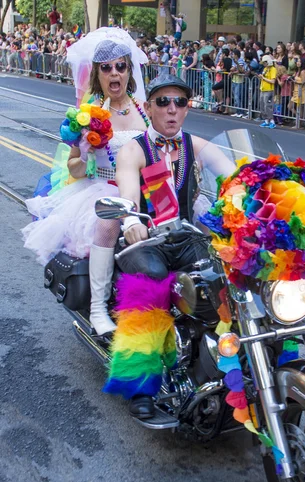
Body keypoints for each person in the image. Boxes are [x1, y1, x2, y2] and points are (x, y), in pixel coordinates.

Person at [105, 74, 232, 417]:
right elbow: (128, 189)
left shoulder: (198, 146)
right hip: (148, 240)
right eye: (163, 102)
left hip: (189, 235)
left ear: (187, 109)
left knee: (224, 275)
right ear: (148, 108)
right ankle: (139, 384)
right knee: (151, 277)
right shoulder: (135, 149)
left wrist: (263, 200)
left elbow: (234, 177)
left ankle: (225, 362)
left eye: (180, 102)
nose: (172, 109)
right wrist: (131, 220)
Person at [22, 31, 149, 339]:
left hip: (145, 187)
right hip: (104, 188)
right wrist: (87, 151)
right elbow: (76, 170)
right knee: (107, 226)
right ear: (97, 74)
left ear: (130, 72)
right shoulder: (89, 113)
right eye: (106, 68)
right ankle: (98, 310)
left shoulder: (145, 108)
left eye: (120, 66)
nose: (114, 73)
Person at [258, 54, 277, 128]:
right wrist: (261, 77)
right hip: (263, 89)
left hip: (269, 90)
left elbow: (273, 81)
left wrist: (263, 78)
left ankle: (272, 121)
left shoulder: (273, 69)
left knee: (268, 106)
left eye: (265, 62)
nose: (264, 64)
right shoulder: (265, 69)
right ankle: (266, 120)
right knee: (262, 105)